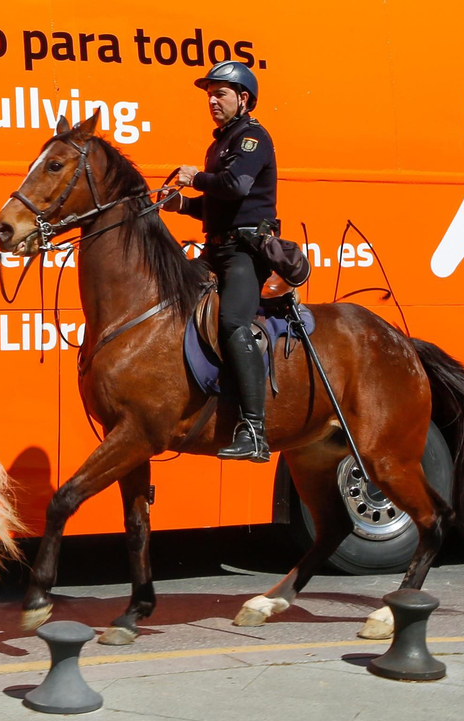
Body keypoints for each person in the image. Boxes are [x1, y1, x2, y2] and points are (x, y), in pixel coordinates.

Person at [166, 61, 277, 462]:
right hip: (216, 249)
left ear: (243, 99)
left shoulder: (252, 139)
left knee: (232, 323)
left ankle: (254, 429)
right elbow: (217, 207)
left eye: (221, 93)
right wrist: (182, 205)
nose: (212, 101)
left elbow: (235, 187)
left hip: (245, 255)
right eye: (209, 94)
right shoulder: (220, 144)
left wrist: (195, 178)